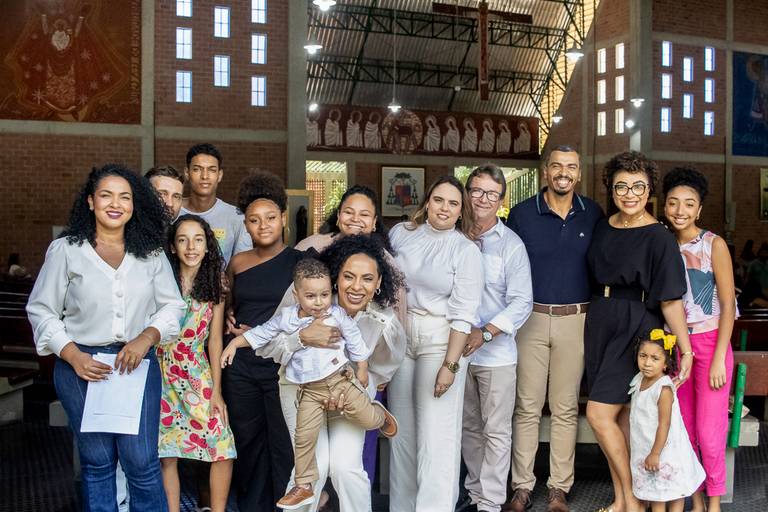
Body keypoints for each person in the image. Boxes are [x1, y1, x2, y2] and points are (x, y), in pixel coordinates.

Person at [26, 164, 186, 511]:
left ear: (134, 204)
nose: (116, 204)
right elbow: (41, 310)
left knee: (141, 461)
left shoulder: (150, 252)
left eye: (124, 197)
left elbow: (173, 306)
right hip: (81, 367)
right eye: (106, 195)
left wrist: (146, 337)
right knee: (97, 462)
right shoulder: (66, 250)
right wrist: (72, 355)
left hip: (136, 365)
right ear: (90, 201)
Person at [247, 234, 407, 512]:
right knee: (314, 467)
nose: (356, 286)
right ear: (336, 277)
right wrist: (301, 339)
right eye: (349, 277)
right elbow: (266, 347)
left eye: (367, 279)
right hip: (300, 390)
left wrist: (352, 389)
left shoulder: (383, 320)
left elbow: (383, 369)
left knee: (346, 468)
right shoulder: (309, 299)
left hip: (348, 395)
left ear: (378, 283)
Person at [585, 151, 694, 512]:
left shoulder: (659, 237)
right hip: (600, 320)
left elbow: (671, 300)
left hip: (637, 325)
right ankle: (622, 499)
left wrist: (685, 350)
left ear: (649, 191)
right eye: (621, 186)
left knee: (598, 414)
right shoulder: (603, 226)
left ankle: (633, 499)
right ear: (611, 189)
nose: (629, 194)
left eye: (638, 187)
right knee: (619, 418)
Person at [505, 146, 603, 512]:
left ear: (579, 173)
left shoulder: (592, 213)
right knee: (526, 406)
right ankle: (521, 487)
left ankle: (559, 488)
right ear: (545, 171)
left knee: (564, 408)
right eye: (557, 166)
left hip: (576, 318)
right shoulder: (521, 214)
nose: (564, 172)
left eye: (571, 167)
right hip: (530, 317)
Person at [388, 175, 484, 512]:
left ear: (461, 211)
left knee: (436, 436)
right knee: (401, 434)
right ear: (427, 201)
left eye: (453, 203)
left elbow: (464, 314)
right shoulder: (401, 234)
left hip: (440, 340)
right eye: (439, 200)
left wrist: (450, 365)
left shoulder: (465, 250)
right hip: (401, 336)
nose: (444, 208)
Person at [223, 171, 303, 512]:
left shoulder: (300, 262)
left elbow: (309, 314)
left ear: (283, 218)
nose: (263, 225)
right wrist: (228, 318)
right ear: (246, 225)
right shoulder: (237, 263)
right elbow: (227, 306)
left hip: (282, 365)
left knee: (284, 442)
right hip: (241, 366)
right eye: (254, 220)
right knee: (247, 440)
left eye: (270, 218)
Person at [662, 167, 737, 512]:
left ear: (699, 209)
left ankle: (714, 501)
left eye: (689, 204)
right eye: (673, 202)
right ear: (664, 205)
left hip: (710, 344)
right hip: (675, 348)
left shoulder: (713, 244)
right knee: (685, 430)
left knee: (709, 432)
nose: (680, 210)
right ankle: (695, 498)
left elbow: (727, 304)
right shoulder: (661, 244)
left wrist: (720, 356)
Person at [460, 165, 533, 512]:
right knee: (468, 427)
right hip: (456, 352)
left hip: (496, 354)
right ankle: (475, 495)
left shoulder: (511, 245)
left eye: (491, 193)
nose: (482, 199)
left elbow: (522, 302)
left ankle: (490, 503)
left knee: (496, 431)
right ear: (467, 193)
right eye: (476, 190)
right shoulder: (453, 236)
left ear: (502, 201)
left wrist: (486, 332)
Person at [158, 215, 237, 512]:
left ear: (207, 246)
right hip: (161, 369)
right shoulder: (161, 280)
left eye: (198, 240)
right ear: (173, 246)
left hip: (195, 369)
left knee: (222, 444)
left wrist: (216, 391)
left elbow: (215, 340)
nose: (191, 247)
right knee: (166, 453)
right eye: (183, 240)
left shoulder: (215, 284)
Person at [629, 329, 705, 510]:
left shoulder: (663, 389)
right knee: (657, 494)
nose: (647, 363)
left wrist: (655, 453)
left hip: (665, 451)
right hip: (646, 445)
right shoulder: (639, 379)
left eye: (655, 358)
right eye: (643, 356)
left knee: (673, 489)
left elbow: (664, 424)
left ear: (665, 364)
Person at [180, 143, 252, 266]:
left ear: (220, 175)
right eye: (197, 169)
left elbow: (243, 266)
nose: (205, 176)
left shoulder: (236, 217)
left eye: (212, 170)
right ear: (187, 173)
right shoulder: (173, 211)